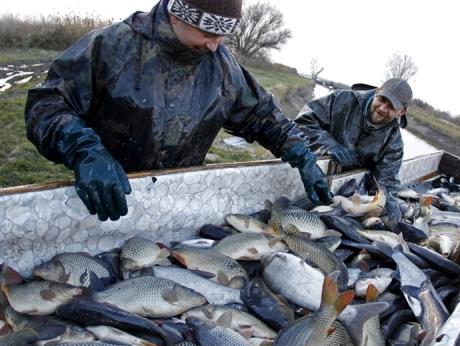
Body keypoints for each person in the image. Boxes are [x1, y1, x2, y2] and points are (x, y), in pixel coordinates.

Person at [24, 0, 332, 222]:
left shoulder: (225, 68)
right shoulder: (111, 45)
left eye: (222, 35)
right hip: (104, 197)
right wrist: (83, 151)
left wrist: (302, 154)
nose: (214, 45)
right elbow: (46, 106)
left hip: (174, 203)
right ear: (178, 13)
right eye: (207, 33)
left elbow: (264, 117)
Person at [295, 78, 413, 221]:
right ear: (377, 91)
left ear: (402, 111)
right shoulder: (343, 99)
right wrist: (327, 144)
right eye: (382, 99)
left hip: (347, 194)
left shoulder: (394, 142)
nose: (382, 108)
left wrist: (389, 201)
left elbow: (386, 179)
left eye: (391, 107)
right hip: (310, 172)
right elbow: (303, 121)